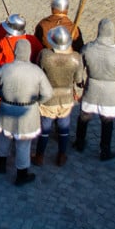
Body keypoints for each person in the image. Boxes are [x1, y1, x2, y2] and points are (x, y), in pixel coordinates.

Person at [0, 39, 53, 185]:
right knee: (24, 144)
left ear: (15, 52)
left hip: (7, 108)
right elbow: (48, 93)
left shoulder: (5, 68)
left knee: (4, 138)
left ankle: (1, 163)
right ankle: (21, 174)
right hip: (27, 111)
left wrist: (2, 95)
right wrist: (37, 102)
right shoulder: (37, 71)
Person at [75, 18, 115, 161]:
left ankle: (79, 142)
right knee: (107, 122)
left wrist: (80, 81)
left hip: (92, 88)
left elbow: (79, 69)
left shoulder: (88, 48)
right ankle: (105, 150)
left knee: (84, 117)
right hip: (109, 91)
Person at [34, 26, 85, 167]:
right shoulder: (75, 58)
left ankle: (40, 155)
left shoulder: (45, 55)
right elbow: (79, 79)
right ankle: (62, 154)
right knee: (64, 128)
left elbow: (39, 73)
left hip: (49, 98)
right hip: (66, 97)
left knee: (45, 129)